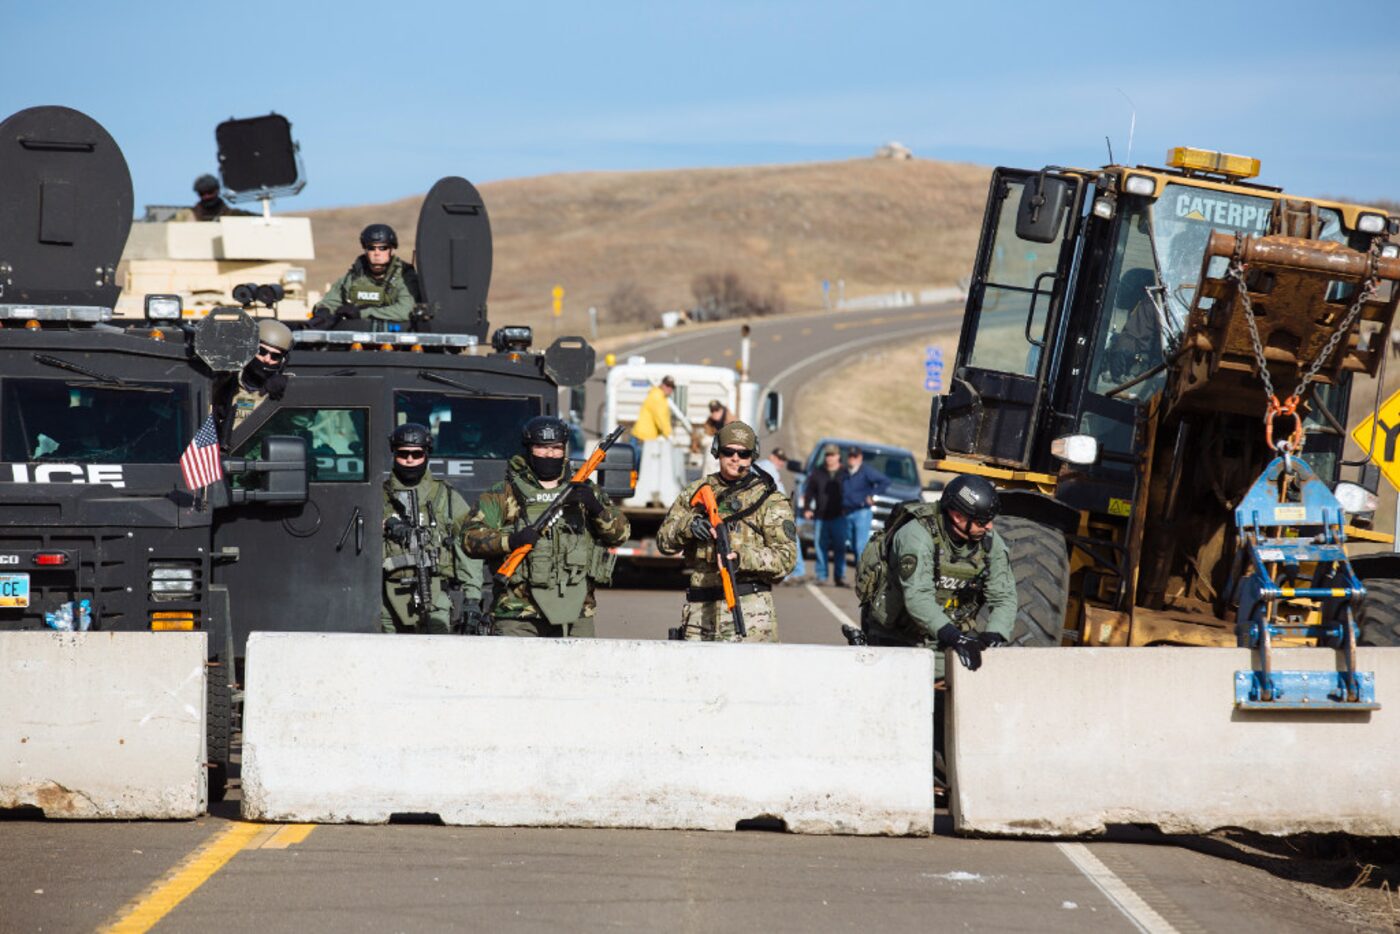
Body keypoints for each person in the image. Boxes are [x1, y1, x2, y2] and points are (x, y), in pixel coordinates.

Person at [462, 416, 629, 637]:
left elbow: (621, 535)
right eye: (542, 448)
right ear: (529, 449)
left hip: (576, 613)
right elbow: (469, 539)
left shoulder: (587, 490)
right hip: (518, 615)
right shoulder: (504, 492)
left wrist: (595, 507)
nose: (550, 454)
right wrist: (511, 541)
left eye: (556, 448)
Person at [657, 421, 796, 641]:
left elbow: (786, 559)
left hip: (750, 613)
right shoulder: (696, 491)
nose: (735, 458)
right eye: (728, 452)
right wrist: (689, 526)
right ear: (717, 452)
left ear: (752, 456)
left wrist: (742, 558)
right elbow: (664, 542)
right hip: (700, 613)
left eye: (743, 453)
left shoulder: (770, 499)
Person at [867, 473, 1016, 676]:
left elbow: (1004, 597)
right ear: (957, 516)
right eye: (982, 521)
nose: (989, 526)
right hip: (896, 633)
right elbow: (918, 596)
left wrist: (994, 635)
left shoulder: (990, 542)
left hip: (943, 636)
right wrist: (955, 638)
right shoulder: (916, 535)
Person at [381, 423, 483, 634]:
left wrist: (472, 598)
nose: (410, 460)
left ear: (426, 455)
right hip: (385, 596)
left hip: (435, 592)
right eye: (403, 454)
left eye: (416, 454)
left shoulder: (445, 496)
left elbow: (468, 544)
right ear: (394, 454)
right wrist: (387, 524)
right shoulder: (380, 495)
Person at [311, 223, 422, 332]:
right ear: (365, 249)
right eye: (371, 248)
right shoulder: (354, 276)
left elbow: (405, 310)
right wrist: (323, 311)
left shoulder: (404, 276)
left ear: (391, 249)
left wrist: (362, 313)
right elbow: (331, 300)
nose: (377, 253)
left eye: (383, 248)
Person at [212, 319, 294, 448]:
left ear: (282, 361)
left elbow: (303, 421)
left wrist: (290, 387)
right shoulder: (225, 382)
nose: (267, 359)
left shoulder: (281, 389)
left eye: (275, 356)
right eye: (261, 351)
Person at [626, 375, 678, 507]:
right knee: (637, 470)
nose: (669, 389)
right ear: (663, 385)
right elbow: (661, 419)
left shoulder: (656, 395)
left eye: (671, 387)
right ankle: (631, 495)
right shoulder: (658, 398)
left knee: (635, 469)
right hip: (642, 438)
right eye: (668, 386)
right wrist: (669, 435)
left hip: (641, 437)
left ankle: (631, 493)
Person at [802, 444, 847, 586]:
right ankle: (821, 575)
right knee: (820, 546)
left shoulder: (845, 473)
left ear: (838, 456)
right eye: (827, 455)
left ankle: (839, 576)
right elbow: (809, 492)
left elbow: (853, 491)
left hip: (840, 515)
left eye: (832, 455)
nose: (829, 458)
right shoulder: (817, 472)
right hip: (821, 516)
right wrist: (807, 508)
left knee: (840, 547)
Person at [840, 446, 891, 559]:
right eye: (850, 456)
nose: (852, 459)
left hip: (862, 512)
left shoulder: (866, 471)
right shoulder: (844, 471)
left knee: (860, 546)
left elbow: (885, 481)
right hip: (846, 512)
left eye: (855, 456)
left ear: (860, 458)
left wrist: (872, 494)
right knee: (851, 545)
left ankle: (862, 574)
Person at [179, 174, 251, 222]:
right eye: (202, 193)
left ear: (218, 190)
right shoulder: (185, 216)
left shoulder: (233, 215)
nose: (206, 196)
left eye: (210, 192)